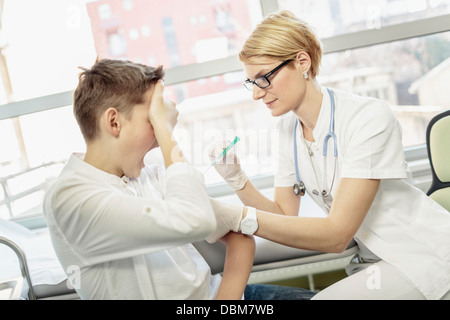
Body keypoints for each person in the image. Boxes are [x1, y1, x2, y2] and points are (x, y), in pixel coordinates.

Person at [208, 10, 450, 300]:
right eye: (251, 82)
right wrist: (238, 181)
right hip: (376, 262)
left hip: (422, 254)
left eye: (264, 78)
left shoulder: (367, 117)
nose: (256, 94)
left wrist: (238, 217)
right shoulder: (288, 130)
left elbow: (337, 234)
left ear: (302, 62)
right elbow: (284, 216)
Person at [43, 58, 255, 300]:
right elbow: (197, 219)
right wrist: (166, 129)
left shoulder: (147, 175)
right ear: (114, 122)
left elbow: (237, 231)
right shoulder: (70, 198)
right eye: (152, 121)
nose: (158, 140)